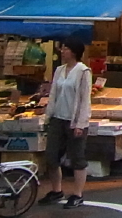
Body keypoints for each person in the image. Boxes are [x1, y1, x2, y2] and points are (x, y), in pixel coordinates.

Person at [39, 40, 92, 208]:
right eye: (62, 48)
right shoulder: (59, 70)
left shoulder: (83, 71)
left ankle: (77, 194)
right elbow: (53, 94)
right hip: (57, 118)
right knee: (51, 156)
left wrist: (80, 124)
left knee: (77, 157)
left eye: (66, 48)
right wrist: (48, 116)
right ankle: (56, 190)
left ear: (75, 52)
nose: (62, 51)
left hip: (74, 120)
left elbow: (85, 99)